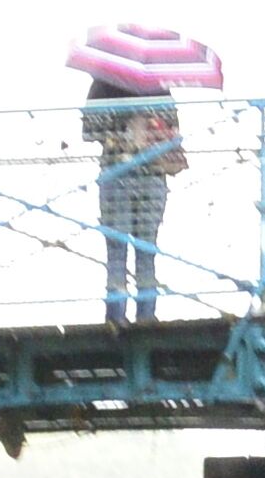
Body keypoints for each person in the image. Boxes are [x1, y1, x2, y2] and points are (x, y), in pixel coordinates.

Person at [66, 22, 224, 324]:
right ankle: (137, 315)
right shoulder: (155, 87)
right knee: (137, 248)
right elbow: (169, 133)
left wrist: (128, 124)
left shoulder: (106, 84)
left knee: (128, 248)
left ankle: (126, 316)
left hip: (124, 174)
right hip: (143, 176)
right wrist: (134, 118)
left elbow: (90, 131)